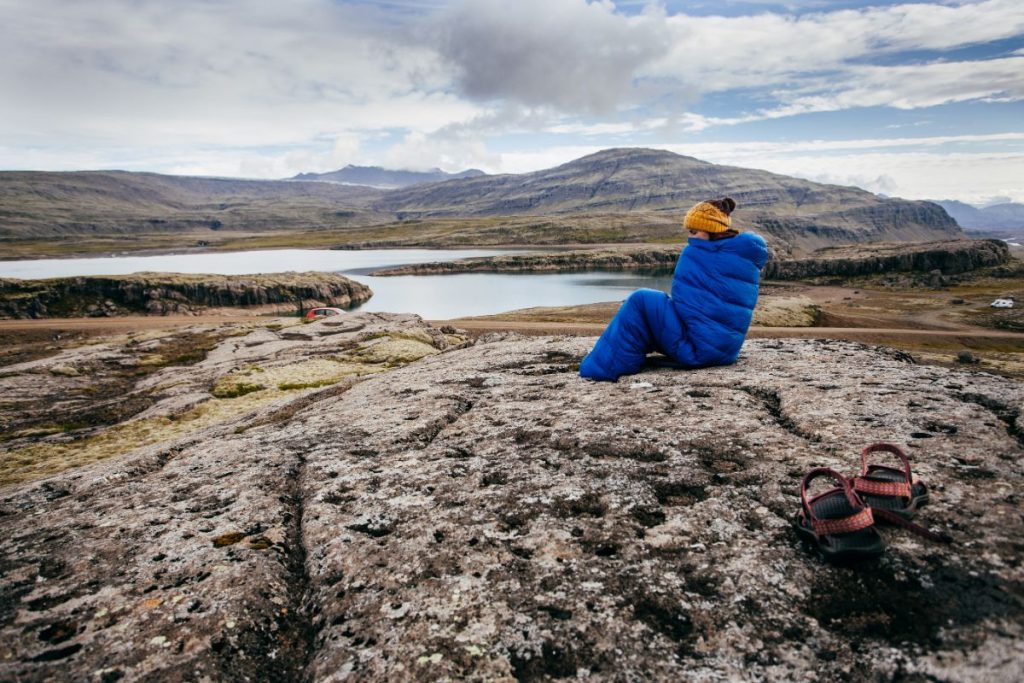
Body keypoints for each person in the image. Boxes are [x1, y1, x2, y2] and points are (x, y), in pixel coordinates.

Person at [579, 197, 768, 382]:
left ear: (712, 230)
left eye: (694, 232)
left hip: (699, 350)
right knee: (653, 304)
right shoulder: (741, 256)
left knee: (640, 300)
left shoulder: (700, 253)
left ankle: (600, 371)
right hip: (724, 351)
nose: (690, 238)